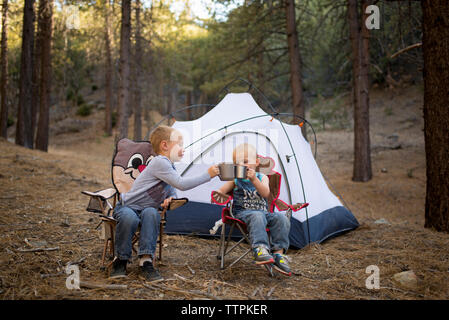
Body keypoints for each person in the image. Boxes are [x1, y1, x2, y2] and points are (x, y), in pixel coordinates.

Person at [110, 125, 219, 281]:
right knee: (130, 218)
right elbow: (181, 183)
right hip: (128, 207)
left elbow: (171, 187)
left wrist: (171, 197)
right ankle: (120, 260)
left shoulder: (169, 166)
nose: (183, 148)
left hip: (147, 208)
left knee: (152, 214)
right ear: (165, 145)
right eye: (180, 144)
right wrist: (207, 175)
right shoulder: (159, 162)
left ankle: (146, 261)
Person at [217, 143, 292, 276]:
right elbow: (220, 192)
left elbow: (265, 194)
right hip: (243, 213)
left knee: (282, 218)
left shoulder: (262, 177)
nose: (243, 165)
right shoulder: (235, 180)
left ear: (256, 162)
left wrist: (253, 180)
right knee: (257, 216)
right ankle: (260, 249)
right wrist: (219, 195)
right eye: (238, 163)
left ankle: (278, 254)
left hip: (264, 213)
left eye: (246, 161)